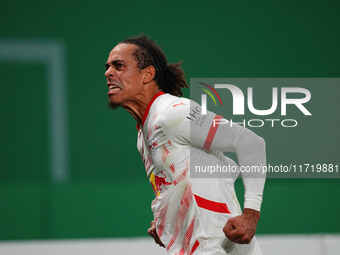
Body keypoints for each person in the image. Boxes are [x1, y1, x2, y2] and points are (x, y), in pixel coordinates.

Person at [104, 35, 266, 255]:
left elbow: (250, 142)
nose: (108, 73)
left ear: (147, 74)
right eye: (108, 67)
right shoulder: (144, 135)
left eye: (119, 66)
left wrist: (251, 214)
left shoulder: (173, 112)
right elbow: (177, 182)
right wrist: (167, 219)